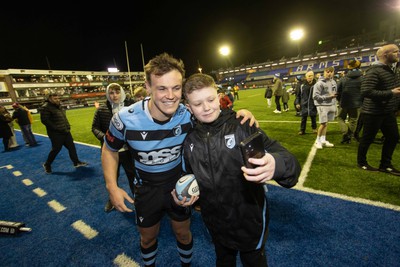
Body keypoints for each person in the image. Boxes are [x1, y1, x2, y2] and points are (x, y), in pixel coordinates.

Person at [101, 52, 257, 267]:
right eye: (161, 88)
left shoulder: (187, 114)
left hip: (179, 185)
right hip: (146, 190)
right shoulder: (124, 119)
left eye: (176, 88)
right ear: (147, 87)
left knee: (183, 234)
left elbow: (214, 115)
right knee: (147, 238)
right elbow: (109, 149)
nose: (170, 95)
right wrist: (112, 186)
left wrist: (241, 114)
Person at [176, 73, 301, 267]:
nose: (207, 107)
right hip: (215, 224)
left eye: (210, 99)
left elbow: (290, 164)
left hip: (249, 221)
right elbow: (188, 176)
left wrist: (277, 164)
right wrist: (184, 195)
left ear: (218, 97)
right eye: (198, 104)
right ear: (189, 107)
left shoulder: (243, 126)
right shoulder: (190, 140)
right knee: (223, 261)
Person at [92, 83, 136, 212]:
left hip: (128, 151)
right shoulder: (101, 110)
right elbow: (94, 128)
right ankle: (112, 200)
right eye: (111, 93)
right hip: (111, 152)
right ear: (107, 94)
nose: (114, 95)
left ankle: (137, 200)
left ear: (121, 92)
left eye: (117, 92)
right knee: (112, 178)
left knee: (132, 176)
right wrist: (107, 139)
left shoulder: (131, 107)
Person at [357, 44, 400, 175]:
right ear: (386, 55)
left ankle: (385, 164)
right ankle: (362, 162)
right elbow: (366, 91)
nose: (398, 53)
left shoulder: (392, 69)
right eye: (396, 51)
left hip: (388, 111)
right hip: (372, 112)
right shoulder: (374, 70)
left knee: (393, 137)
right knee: (367, 139)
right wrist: (390, 93)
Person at [40, 93, 88, 174]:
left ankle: (76, 162)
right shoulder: (46, 107)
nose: (57, 100)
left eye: (58, 98)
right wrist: (56, 128)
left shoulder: (58, 106)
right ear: (49, 99)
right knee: (56, 149)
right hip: (56, 133)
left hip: (65, 131)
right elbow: (45, 120)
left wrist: (67, 126)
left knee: (71, 147)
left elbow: (63, 118)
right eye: (55, 98)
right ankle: (47, 164)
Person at [336, 60, 363, 144]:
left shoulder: (343, 78)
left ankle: (346, 134)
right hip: (357, 103)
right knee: (353, 120)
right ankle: (349, 136)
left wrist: (339, 100)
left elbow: (338, 91)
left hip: (344, 102)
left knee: (340, 118)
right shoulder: (363, 78)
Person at [313, 66, 337, 149]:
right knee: (323, 124)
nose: (329, 73)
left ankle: (323, 140)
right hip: (322, 105)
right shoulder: (319, 83)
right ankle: (317, 140)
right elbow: (315, 96)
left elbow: (334, 94)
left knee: (326, 124)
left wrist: (334, 104)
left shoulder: (333, 82)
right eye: (327, 71)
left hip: (331, 105)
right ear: (324, 72)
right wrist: (328, 97)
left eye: (331, 71)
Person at [295, 70, 318, 135]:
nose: (310, 77)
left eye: (312, 75)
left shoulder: (316, 84)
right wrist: (297, 103)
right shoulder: (302, 85)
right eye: (309, 76)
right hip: (304, 104)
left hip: (313, 104)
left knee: (313, 117)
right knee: (303, 118)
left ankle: (314, 129)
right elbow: (298, 95)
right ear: (306, 77)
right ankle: (302, 130)